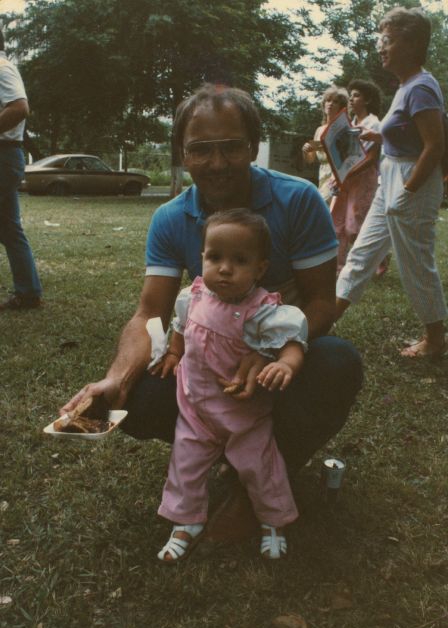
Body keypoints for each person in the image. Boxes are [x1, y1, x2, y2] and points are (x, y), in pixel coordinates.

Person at [62, 84, 362, 536]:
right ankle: (233, 454)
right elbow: (151, 314)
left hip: (280, 358)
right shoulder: (170, 217)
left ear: (251, 146)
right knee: (136, 399)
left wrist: (272, 352)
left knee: (339, 362)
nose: (217, 163)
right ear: (183, 153)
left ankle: (258, 480)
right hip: (211, 366)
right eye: (201, 150)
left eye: (231, 147)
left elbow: (322, 301)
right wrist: (117, 377)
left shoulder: (298, 199)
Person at [156, 209, 308, 562]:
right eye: (215, 257)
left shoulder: (262, 311)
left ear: (260, 268)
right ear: (202, 257)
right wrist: (174, 353)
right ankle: (186, 520)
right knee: (185, 463)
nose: (224, 268)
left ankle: (273, 520)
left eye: (239, 260)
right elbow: (180, 326)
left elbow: (292, 342)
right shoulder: (192, 296)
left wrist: (286, 363)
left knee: (260, 466)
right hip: (195, 408)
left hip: (244, 413)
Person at [336, 7, 447, 358]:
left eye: (388, 40)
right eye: (380, 39)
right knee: (361, 254)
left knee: (415, 262)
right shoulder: (405, 86)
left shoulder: (422, 87)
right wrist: (377, 134)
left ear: (411, 44)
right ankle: (322, 321)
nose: (380, 47)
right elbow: (406, 135)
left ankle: (435, 339)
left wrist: (409, 190)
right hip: (392, 176)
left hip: (413, 180)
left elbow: (435, 146)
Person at [0, 29, 42, 310]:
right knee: (8, 227)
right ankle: (28, 292)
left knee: (9, 227)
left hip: (2, 154)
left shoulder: (1, 68)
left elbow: (20, 107)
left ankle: (28, 292)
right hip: (6, 154)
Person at [330, 80, 382, 273]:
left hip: (362, 179)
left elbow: (371, 158)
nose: (351, 99)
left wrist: (348, 172)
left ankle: (380, 258)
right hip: (345, 177)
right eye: (350, 95)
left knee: (355, 225)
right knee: (338, 222)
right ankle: (339, 265)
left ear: (367, 99)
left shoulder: (374, 123)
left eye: (357, 95)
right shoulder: (349, 122)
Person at [302, 86, 348, 205]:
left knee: (321, 207)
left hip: (336, 176)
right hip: (322, 177)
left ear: (341, 107)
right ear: (323, 105)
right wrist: (306, 151)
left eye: (335, 101)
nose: (330, 104)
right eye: (328, 100)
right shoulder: (319, 130)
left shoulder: (344, 129)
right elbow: (310, 160)